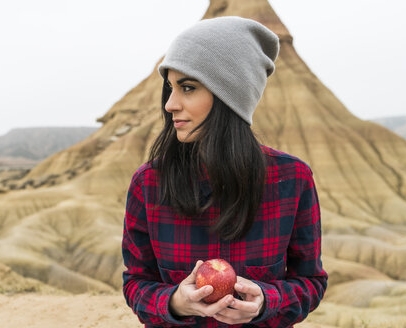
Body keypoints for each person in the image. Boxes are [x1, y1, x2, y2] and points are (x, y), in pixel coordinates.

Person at [122, 16, 327, 327]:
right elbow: (136, 282)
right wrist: (176, 302)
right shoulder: (149, 183)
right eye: (170, 88)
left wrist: (266, 302)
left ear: (230, 97)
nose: (170, 104)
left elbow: (311, 282)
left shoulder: (291, 179)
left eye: (187, 88)